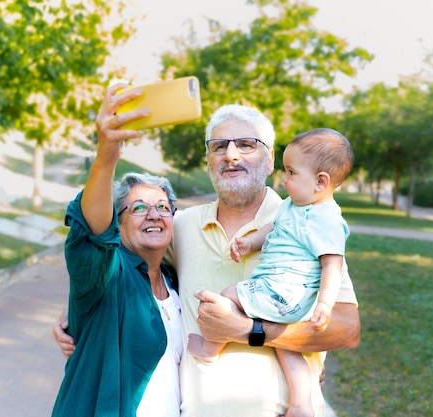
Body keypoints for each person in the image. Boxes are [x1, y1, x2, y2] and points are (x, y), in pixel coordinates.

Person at [54, 102, 360, 417]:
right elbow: (116, 257)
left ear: (270, 160)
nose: (231, 155)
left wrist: (247, 330)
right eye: (219, 146)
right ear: (209, 162)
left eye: (246, 144)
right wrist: (82, 311)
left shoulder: (305, 223)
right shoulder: (182, 226)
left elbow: (347, 329)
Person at [187, 128, 355, 417]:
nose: (285, 178)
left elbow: (332, 265)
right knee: (288, 349)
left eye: (291, 172)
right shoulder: (293, 206)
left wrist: (325, 305)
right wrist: (251, 242)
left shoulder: (326, 219)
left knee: (229, 294)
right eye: (218, 146)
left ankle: (209, 347)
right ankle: (300, 405)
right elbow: (273, 229)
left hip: (282, 290)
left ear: (320, 181)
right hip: (287, 298)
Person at [51, 83, 183, 417]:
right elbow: (94, 231)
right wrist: (107, 153)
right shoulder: (107, 275)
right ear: (118, 223)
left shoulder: (176, 283)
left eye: (162, 207)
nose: (153, 213)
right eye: (138, 208)